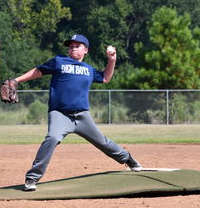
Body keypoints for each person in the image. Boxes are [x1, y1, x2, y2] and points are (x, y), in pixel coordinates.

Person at [14, 34, 143, 191]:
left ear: (85, 50)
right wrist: (16, 80)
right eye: (71, 46)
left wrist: (112, 60)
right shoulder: (59, 61)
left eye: (77, 45)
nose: (73, 48)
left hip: (82, 116)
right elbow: (38, 71)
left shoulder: (88, 69)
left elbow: (105, 78)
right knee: (52, 138)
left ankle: (128, 159)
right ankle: (32, 178)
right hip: (60, 114)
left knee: (102, 142)